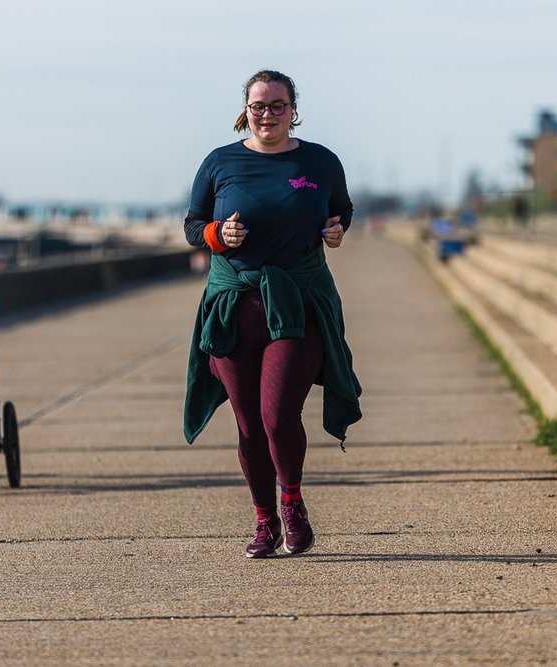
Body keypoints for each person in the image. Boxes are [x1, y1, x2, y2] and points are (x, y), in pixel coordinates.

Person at [183, 70, 362, 558]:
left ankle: (292, 502)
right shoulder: (220, 162)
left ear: (293, 109)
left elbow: (342, 209)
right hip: (233, 306)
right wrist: (219, 235)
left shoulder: (320, 161)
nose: (267, 115)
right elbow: (193, 224)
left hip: (297, 303)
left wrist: (336, 227)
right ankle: (264, 521)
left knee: (279, 416)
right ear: (246, 109)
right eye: (258, 106)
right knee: (248, 425)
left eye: (277, 106)